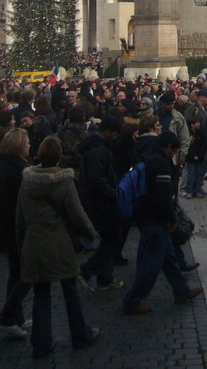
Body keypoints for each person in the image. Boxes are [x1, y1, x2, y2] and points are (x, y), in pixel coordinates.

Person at [17, 136, 101, 359]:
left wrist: (20, 242)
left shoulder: (27, 180)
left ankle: (41, 342)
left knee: (41, 293)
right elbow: (76, 213)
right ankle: (80, 334)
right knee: (70, 289)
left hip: (34, 241)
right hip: (58, 241)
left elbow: (20, 216)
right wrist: (91, 233)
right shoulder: (63, 181)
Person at [120, 131, 203, 315]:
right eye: (173, 150)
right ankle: (132, 300)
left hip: (144, 214)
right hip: (155, 219)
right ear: (168, 147)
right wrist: (171, 218)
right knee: (151, 264)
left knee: (167, 257)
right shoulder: (161, 164)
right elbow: (164, 196)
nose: (174, 154)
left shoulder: (147, 157)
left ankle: (181, 290)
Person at [0, 127, 32, 338]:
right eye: (26, 143)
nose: (29, 145)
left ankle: (17, 316)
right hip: (19, 226)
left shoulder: (2, 166)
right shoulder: (20, 170)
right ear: (19, 146)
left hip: (7, 224)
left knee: (16, 271)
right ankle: (8, 317)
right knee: (26, 273)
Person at [77, 116, 123, 291]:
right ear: (109, 132)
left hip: (98, 199)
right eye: (115, 134)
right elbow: (96, 179)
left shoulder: (98, 147)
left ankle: (105, 278)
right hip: (100, 201)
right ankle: (87, 270)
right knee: (112, 238)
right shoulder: (98, 151)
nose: (116, 138)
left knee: (110, 238)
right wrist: (114, 194)